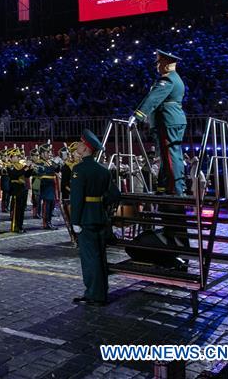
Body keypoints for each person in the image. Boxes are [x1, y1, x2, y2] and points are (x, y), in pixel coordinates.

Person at [70, 129, 118, 306]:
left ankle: (94, 295)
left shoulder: (79, 169)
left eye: (81, 144)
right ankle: (100, 292)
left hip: (85, 219)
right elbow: (114, 194)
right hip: (100, 217)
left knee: (90, 259)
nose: (79, 146)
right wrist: (101, 204)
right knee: (100, 257)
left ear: (86, 149)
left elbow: (76, 199)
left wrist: (75, 221)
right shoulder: (103, 170)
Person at [129, 49, 187, 196]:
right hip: (173, 119)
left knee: (170, 156)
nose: (157, 66)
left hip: (167, 120)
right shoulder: (177, 79)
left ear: (166, 64)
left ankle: (176, 189)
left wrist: (137, 115)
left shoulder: (167, 79)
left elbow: (153, 98)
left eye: (159, 62)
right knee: (168, 155)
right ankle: (165, 186)